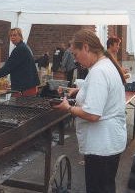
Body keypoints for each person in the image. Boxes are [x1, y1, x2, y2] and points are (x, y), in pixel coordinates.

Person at [53, 29, 127, 193]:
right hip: (109, 143)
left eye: (76, 54)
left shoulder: (99, 71)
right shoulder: (105, 64)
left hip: (102, 145)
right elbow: (101, 93)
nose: (76, 59)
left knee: (98, 188)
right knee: (106, 187)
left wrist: (69, 108)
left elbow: (93, 114)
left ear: (86, 47)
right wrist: (79, 91)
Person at [0, 27, 40, 97]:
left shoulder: (20, 49)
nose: (12, 37)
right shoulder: (24, 47)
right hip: (28, 86)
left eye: (15, 35)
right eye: (11, 35)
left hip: (24, 88)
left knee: (19, 107)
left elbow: (8, 67)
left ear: (20, 36)